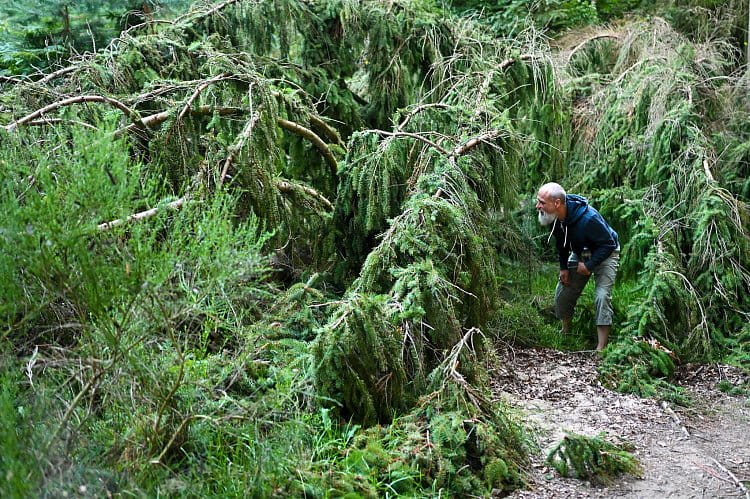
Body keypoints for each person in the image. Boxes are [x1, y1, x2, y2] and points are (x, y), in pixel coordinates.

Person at [535, 182, 620, 350]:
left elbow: (609, 244)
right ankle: (566, 331)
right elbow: (562, 243)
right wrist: (564, 268)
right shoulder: (555, 217)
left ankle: (601, 348)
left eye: (542, 202)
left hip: (606, 254)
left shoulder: (589, 219)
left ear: (557, 203)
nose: (538, 206)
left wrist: (589, 265)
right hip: (581, 253)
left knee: (602, 296)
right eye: (538, 201)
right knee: (562, 292)